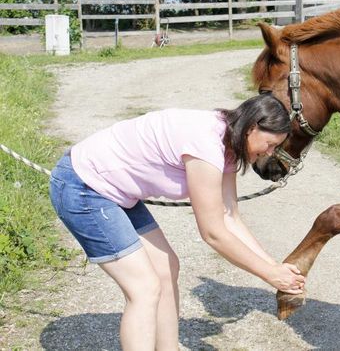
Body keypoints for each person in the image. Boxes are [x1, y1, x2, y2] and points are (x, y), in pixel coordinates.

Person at [49, 93, 305, 351]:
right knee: (144, 288)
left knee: (166, 268)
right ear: (252, 128)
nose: (269, 153)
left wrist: (274, 266)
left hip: (116, 192)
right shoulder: (206, 145)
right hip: (83, 186)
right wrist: (269, 275)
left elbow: (230, 216)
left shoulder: (230, 144)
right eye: (270, 144)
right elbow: (213, 233)